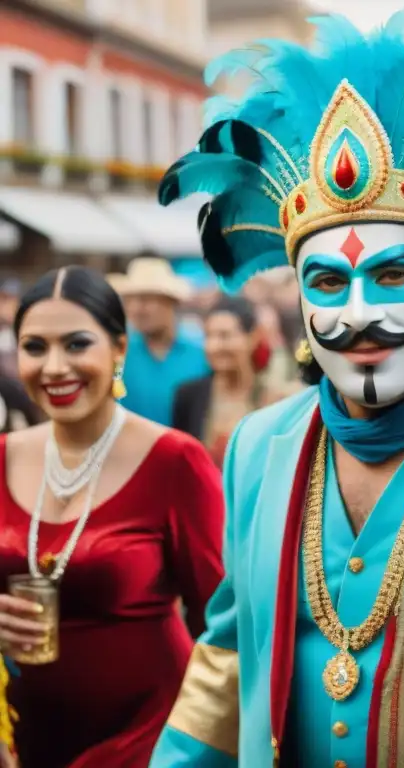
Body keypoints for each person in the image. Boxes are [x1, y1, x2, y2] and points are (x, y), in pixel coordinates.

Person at [149, 9, 404, 767]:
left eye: (395, 275)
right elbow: (229, 657)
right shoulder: (260, 447)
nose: (359, 312)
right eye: (329, 282)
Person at [0, 266, 224, 768]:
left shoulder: (175, 461)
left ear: (119, 349)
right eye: (35, 347)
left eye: (77, 344)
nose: (55, 366)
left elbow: (223, 622)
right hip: (22, 742)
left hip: (149, 742)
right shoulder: (2, 456)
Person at [173, 296, 267, 468]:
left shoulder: (272, 398)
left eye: (225, 336)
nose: (214, 346)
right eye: (209, 336)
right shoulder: (189, 395)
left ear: (253, 338)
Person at [118, 258, 209, 426]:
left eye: (145, 300)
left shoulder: (202, 353)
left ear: (171, 302)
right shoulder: (118, 353)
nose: (136, 309)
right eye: (130, 301)